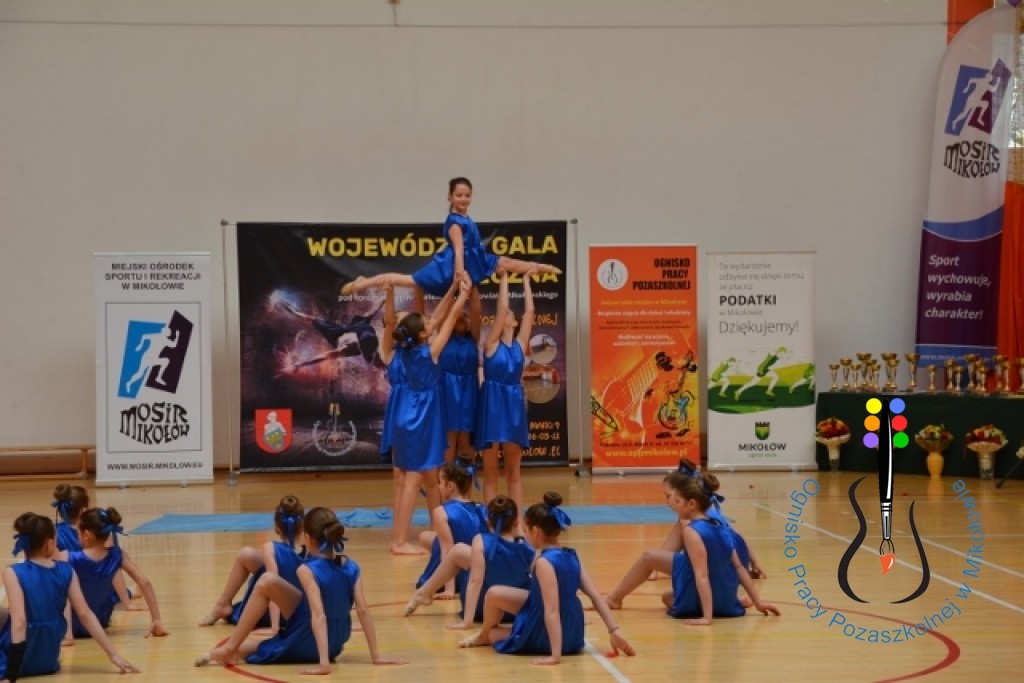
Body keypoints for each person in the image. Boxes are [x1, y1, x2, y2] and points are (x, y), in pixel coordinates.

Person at [194, 507, 406, 673]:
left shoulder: (308, 570)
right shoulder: (352, 566)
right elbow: (363, 610)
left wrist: (324, 664)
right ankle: (232, 648)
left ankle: (230, 648)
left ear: (309, 539)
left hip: (310, 640)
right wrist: (375, 655)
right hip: (335, 643)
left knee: (248, 638)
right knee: (266, 587)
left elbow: (318, 615)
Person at [458, 493, 635, 665]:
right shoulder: (572, 555)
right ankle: (488, 634)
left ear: (535, 531)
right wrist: (614, 630)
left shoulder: (544, 563)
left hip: (551, 632)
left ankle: (486, 635)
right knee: (494, 594)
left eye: (526, 530)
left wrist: (555, 655)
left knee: (493, 634)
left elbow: (551, 610)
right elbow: (595, 596)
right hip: (574, 631)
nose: (524, 535)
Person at [604, 466, 780, 623]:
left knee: (662, 580)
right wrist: (758, 601)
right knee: (669, 594)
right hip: (726, 596)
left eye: (672, 498)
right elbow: (739, 564)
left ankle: (614, 599)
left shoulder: (692, 529)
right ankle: (732, 601)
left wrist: (707, 618)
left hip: (708, 583)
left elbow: (701, 575)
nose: (668, 503)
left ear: (690, 502)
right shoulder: (718, 523)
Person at [341, 177, 561, 297]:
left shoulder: (465, 217)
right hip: (452, 265)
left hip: (475, 257)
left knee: (506, 262)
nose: (463, 199)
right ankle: (363, 282)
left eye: (467, 195)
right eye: (459, 195)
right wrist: (460, 274)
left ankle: (541, 267)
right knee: (408, 281)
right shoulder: (455, 222)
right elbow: (458, 249)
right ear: (450, 196)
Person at [389, 274, 472, 555]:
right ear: (424, 335)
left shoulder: (409, 346)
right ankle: (400, 541)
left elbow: (436, 318)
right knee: (413, 479)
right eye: (426, 324)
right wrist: (463, 294)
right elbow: (448, 319)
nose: (431, 322)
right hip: (419, 417)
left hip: (411, 412)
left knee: (431, 478)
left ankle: (440, 532)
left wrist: (453, 288)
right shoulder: (431, 351)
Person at [0, 513, 140, 680]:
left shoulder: (12, 572)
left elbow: (19, 622)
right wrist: (114, 655)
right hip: (48, 660)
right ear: (49, 543)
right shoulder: (67, 570)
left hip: (17, 661)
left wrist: (11, 673)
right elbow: (85, 614)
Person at [404, 494, 533, 628]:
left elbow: (475, 582)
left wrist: (467, 622)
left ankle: (424, 592)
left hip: (482, 608)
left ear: (488, 521)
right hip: (515, 609)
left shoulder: (481, 541)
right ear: (517, 522)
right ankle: (424, 593)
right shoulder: (527, 547)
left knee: (460, 550)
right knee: (460, 551)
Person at [475, 270, 534, 513]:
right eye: (504, 313)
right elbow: (501, 308)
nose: (505, 314)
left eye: (510, 314)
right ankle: (492, 520)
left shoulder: (520, 344)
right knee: (490, 473)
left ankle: (517, 521)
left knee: (513, 472)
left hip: (513, 404)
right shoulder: (491, 344)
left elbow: (530, 312)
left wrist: (526, 280)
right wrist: (504, 278)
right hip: (492, 404)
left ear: (514, 322)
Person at [199, 495, 306, 629]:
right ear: (302, 527)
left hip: (268, 613)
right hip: (298, 613)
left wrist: (275, 628)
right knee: (247, 555)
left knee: (259, 564)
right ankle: (222, 605)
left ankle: (223, 604)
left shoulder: (271, 549)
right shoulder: (310, 552)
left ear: (276, 527)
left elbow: (273, 586)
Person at [60, 507, 167, 639]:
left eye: (78, 533)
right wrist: (156, 619)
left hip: (68, 625)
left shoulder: (68, 557)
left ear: (86, 534)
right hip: (99, 623)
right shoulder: (116, 555)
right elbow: (144, 582)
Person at [413, 459, 488, 599]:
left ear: (450, 486)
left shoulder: (441, 512)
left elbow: (447, 550)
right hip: (475, 570)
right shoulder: (483, 509)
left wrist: (449, 590)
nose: (438, 487)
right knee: (425, 536)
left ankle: (447, 583)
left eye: (440, 482)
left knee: (442, 543)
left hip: (455, 571)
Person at [278, 297, 385, 369]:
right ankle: (294, 312)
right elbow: (326, 356)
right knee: (313, 320)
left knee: (368, 317)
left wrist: (302, 364)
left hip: (348, 334)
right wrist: (302, 364)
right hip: (339, 334)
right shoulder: (351, 348)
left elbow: (326, 356)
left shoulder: (367, 341)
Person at [440, 287, 482, 463]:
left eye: (465, 316)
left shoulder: (473, 337)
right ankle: (445, 477)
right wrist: (454, 285)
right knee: (449, 438)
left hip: (469, 390)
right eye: (458, 314)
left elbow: (476, 311)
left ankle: (466, 478)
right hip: (447, 389)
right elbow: (447, 311)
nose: (462, 317)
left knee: (466, 436)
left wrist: (473, 287)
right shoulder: (443, 337)